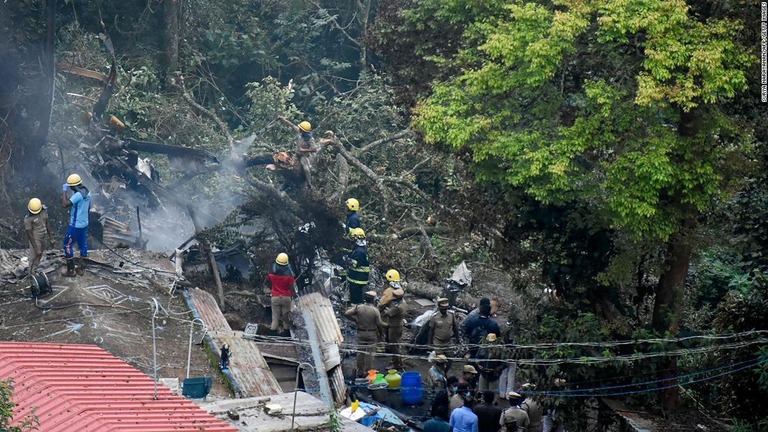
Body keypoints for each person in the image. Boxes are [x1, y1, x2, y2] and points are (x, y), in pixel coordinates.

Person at [344, 290, 387, 376]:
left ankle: (360, 372)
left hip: (361, 333)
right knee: (370, 354)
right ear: (373, 300)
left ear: (365, 299)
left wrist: (355, 320)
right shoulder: (375, 311)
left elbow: (347, 313)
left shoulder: (358, 307)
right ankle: (368, 372)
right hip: (372, 334)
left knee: (361, 353)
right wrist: (387, 326)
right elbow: (379, 324)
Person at [277, 116, 321, 188]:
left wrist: (304, 150)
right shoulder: (300, 133)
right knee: (286, 165)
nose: (299, 129)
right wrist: (284, 120)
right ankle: (286, 183)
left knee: (306, 169)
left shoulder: (310, 139)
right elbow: (292, 125)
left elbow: (314, 149)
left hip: (304, 156)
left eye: (301, 128)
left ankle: (309, 184)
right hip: (296, 154)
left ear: (304, 131)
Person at [61, 174, 91, 277]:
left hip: (75, 225)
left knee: (68, 245)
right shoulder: (88, 192)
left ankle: (71, 271)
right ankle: (81, 269)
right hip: (84, 223)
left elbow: (65, 204)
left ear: (73, 186)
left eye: (70, 186)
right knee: (83, 245)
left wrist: (64, 191)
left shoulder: (77, 195)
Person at [266, 252, 297, 334]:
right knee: (286, 318)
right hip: (286, 298)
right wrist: (295, 296)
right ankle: (286, 337)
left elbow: (267, 283)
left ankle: (272, 337)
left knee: (275, 318)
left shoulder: (271, 275)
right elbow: (291, 288)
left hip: (275, 298)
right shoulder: (290, 276)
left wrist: (273, 289)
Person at [24, 198, 53, 280]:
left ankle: (34, 271)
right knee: (33, 256)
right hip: (35, 238)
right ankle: (30, 275)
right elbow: (29, 234)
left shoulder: (44, 210)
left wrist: (51, 237)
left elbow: (47, 223)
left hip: (44, 236)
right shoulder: (28, 219)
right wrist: (36, 248)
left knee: (40, 254)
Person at [381, 288, 406, 369]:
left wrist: (384, 310)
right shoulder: (403, 302)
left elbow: (387, 314)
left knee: (394, 346)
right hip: (398, 325)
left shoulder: (397, 307)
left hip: (394, 327)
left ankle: (396, 364)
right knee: (397, 344)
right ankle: (397, 360)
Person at [345, 228, 370, 304]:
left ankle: (356, 310)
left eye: (353, 239)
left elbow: (355, 263)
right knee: (358, 295)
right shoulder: (362, 248)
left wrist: (347, 259)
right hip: (360, 278)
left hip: (357, 278)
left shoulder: (359, 251)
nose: (352, 241)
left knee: (355, 297)